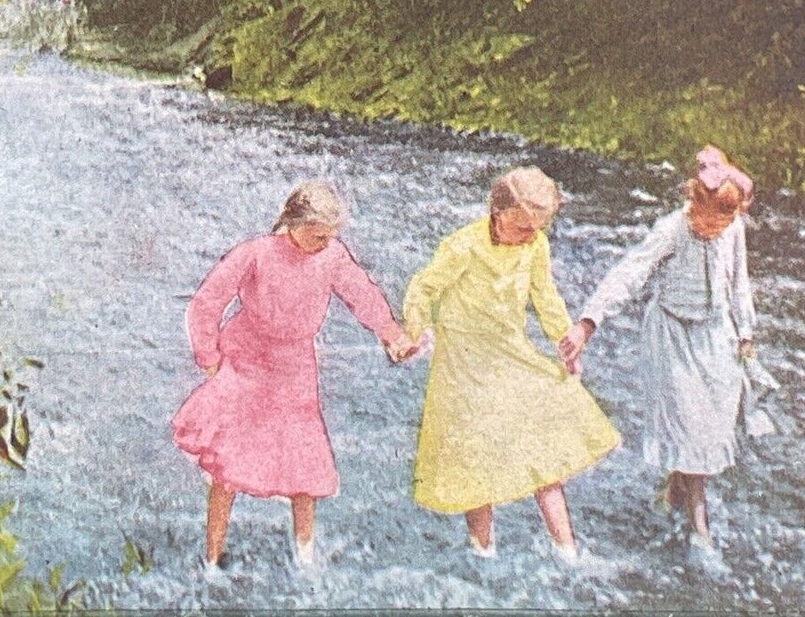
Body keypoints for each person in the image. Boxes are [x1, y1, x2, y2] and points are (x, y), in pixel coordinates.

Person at [172, 180, 411, 568]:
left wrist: (391, 333)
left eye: (331, 236)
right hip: (246, 359)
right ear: (293, 223)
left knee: (305, 464)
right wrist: (209, 357)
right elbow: (206, 302)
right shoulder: (256, 253)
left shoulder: (332, 256)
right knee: (227, 466)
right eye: (318, 235)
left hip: (295, 367)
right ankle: (213, 559)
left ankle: (305, 559)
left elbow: (362, 294)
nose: (325, 243)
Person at [404, 167, 620, 563]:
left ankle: (567, 551)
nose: (527, 236)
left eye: (535, 229)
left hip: (509, 350)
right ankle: (482, 551)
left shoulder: (535, 244)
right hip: (464, 361)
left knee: (543, 445)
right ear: (496, 213)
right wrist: (416, 329)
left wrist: (564, 341)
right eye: (520, 228)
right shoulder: (463, 247)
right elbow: (423, 288)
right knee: (474, 458)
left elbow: (545, 295)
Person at [562, 146, 758, 567]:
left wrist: (746, 332)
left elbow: (739, 282)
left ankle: (673, 491)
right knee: (688, 428)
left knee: (707, 427)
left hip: (714, 335)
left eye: (727, 222)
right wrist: (588, 321)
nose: (717, 229)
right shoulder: (672, 229)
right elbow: (630, 272)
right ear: (695, 203)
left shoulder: (733, 228)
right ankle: (699, 528)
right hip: (672, 337)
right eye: (710, 220)